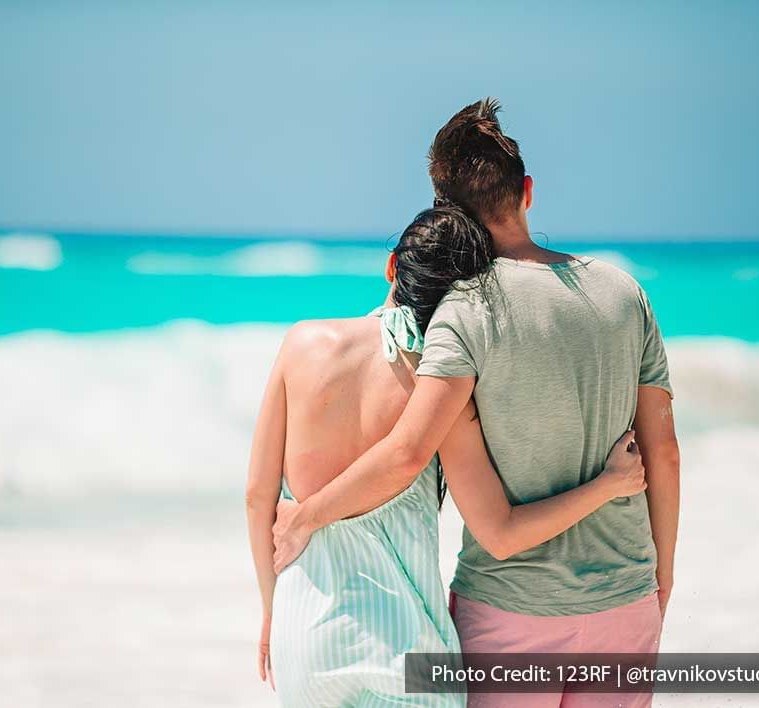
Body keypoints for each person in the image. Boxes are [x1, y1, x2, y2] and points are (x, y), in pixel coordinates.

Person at [272, 99, 681, 708]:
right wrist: (659, 582)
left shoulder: (465, 310)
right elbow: (665, 455)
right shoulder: (625, 292)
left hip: (511, 616)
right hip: (626, 605)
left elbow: (408, 452)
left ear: (448, 211)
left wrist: (305, 516)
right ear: (528, 191)